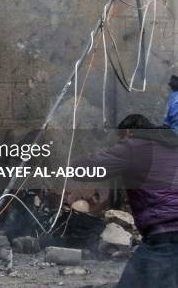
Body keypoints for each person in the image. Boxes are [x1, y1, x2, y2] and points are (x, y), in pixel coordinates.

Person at [73, 114, 178, 287]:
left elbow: (93, 167)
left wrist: (73, 164)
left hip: (165, 233)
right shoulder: (172, 146)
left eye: (119, 140)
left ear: (128, 132)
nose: (118, 145)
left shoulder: (134, 146)